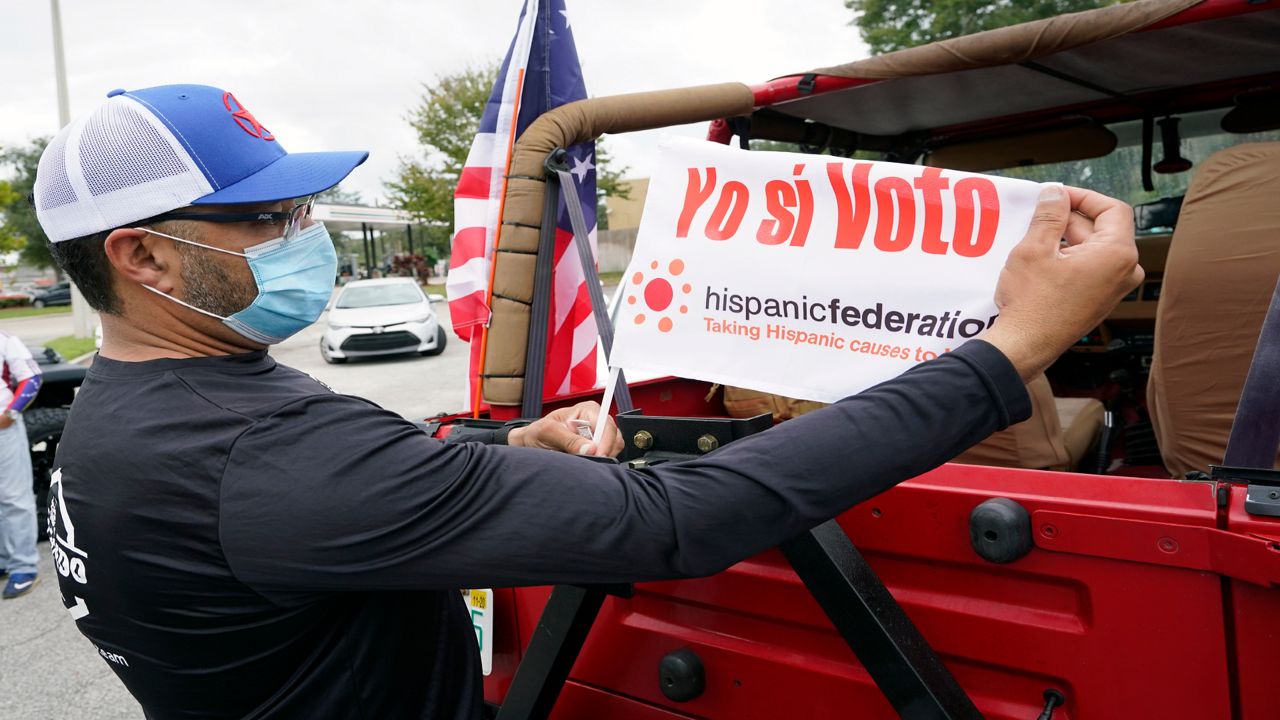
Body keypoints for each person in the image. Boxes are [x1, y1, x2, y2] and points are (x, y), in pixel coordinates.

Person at [34, 84, 1141, 719]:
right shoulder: (263, 452)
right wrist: (1012, 348)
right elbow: (679, 522)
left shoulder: (130, 409)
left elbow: (306, 514)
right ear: (148, 259)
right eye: (271, 218)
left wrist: (509, 446)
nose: (308, 235)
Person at [0, 329, 43, 599]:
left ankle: (24, 566)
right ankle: (5, 559)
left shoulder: (4, 339)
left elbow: (32, 377)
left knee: (14, 497)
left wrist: (10, 414)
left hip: (3, 430)